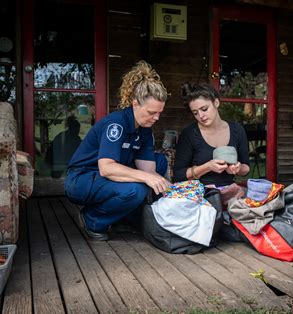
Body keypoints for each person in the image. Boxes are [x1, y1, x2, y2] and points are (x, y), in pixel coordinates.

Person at [65, 61, 171, 241]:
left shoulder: (144, 129)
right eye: (152, 112)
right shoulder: (116, 124)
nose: (156, 118)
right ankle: (92, 218)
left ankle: (124, 217)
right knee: (135, 190)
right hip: (82, 178)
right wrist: (147, 178)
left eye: (159, 113)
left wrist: (167, 187)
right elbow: (107, 168)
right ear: (135, 104)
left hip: (105, 179)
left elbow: (149, 171)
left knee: (159, 163)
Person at [173, 82, 250, 189]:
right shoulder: (189, 134)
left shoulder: (237, 130)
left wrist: (238, 168)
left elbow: (246, 168)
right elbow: (178, 174)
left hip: (229, 190)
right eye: (195, 113)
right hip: (199, 193)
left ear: (216, 102)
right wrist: (208, 167)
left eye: (204, 109)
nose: (201, 116)